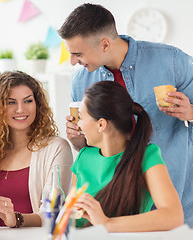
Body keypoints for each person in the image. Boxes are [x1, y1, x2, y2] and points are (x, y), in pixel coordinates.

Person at [59, 3, 193, 227]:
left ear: (104, 44)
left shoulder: (171, 61)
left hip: (176, 202)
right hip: (116, 209)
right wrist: (77, 139)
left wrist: (190, 112)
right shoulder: (80, 81)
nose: (73, 61)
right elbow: (93, 147)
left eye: (77, 53)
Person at [0, 71, 73, 227]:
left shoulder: (57, 148)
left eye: (28, 101)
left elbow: (52, 211)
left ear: (37, 104)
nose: (21, 109)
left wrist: (16, 219)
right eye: (11, 102)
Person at [72, 81, 183, 231]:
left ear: (101, 124)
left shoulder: (146, 156)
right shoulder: (83, 157)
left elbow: (173, 216)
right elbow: (70, 217)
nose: (78, 125)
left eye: (81, 117)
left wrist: (107, 224)